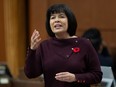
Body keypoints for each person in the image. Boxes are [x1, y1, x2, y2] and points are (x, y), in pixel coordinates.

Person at [24, 4, 102, 87]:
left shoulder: (84, 44)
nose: (56, 20)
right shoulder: (44, 46)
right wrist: (32, 50)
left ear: (70, 20)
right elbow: (30, 74)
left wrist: (75, 77)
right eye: (53, 17)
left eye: (61, 16)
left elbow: (97, 76)